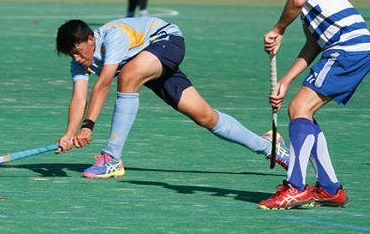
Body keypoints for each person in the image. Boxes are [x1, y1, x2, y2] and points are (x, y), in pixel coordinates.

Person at [54, 17, 289, 179]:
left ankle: (112, 158)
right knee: (205, 117)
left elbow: (104, 82)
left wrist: (88, 126)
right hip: (146, 61)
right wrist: (69, 133)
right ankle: (269, 145)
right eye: (70, 55)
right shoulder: (79, 65)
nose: (76, 59)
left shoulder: (112, 36)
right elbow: (79, 98)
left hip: (166, 41)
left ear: (90, 40)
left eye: (77, 51)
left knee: (127, 76)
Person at [257, 0, 370, 210]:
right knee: (302, 110)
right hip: (348, 47)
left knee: (299, 108)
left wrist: (279, 29)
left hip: (347, 47)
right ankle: (330, 189)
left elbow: (296, 0)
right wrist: (285, 80)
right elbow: (313, 44)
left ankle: (296, 187)